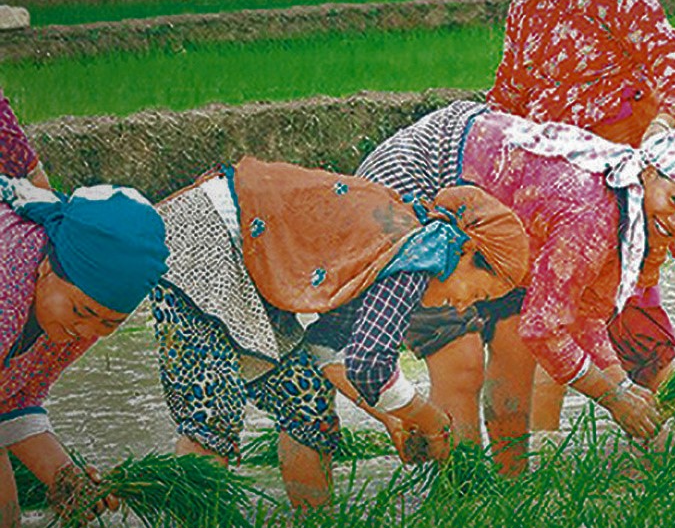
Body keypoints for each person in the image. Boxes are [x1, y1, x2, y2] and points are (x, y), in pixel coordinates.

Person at [355, 101, 675, 474]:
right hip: (423, 173)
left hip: (487, 221)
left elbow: (582, 314)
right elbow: (545, 328)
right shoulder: (594, 213)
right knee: (459, 356)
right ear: (648, 173)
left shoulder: (627, 213)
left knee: (513, 347)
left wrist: (622, 385)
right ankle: (461, 493)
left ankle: (510, 486)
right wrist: (614, 399)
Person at [151, 158, 529, 508]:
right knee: (213, 411)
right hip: (205, 235)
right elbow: (369, 364)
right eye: (476, 293)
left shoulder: (397, 249)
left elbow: (325, 346)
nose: (464, 308)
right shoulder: (422, 252)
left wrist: (392, 418)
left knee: (306, 399)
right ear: (466, 251)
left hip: (246, 256)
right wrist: (432, 421)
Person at [487, 0, 675, 430]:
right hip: (546, 188)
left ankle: (662, 439)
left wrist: (662, 125)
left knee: (629, 312)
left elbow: (671, 60)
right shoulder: (525, 7)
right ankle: (545, 452)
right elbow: (508, 93)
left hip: (611, 186)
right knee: (550, 310)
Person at [1, 93, 169, 528]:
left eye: (108, 325)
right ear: (46, 265)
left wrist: (64, 480)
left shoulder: (75, 318)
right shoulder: (7, 280)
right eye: (83, 312)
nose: (86, 332)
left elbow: (14, 398)